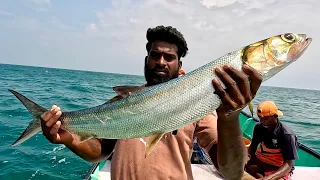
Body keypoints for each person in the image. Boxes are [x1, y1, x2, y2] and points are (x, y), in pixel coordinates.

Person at [40, 25, 263, 180]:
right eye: (155, 55)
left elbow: (232, 172)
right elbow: (99, 151)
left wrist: (230, 116)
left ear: (179, 64)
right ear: (146, 60)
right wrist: (67, 138)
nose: (161, 62)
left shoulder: (199, 104)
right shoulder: (122, 102)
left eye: (169, 57)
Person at [245, 101, 299, 180]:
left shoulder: (286, 134)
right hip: (261, 159)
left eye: (265, 118)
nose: (262, 121)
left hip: (278, 165)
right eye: (260, 118)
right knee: (247, 167)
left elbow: (288, 163)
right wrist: (247, 159)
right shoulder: (258, 127)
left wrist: (271, 177)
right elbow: (253, 146)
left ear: (275, 116)